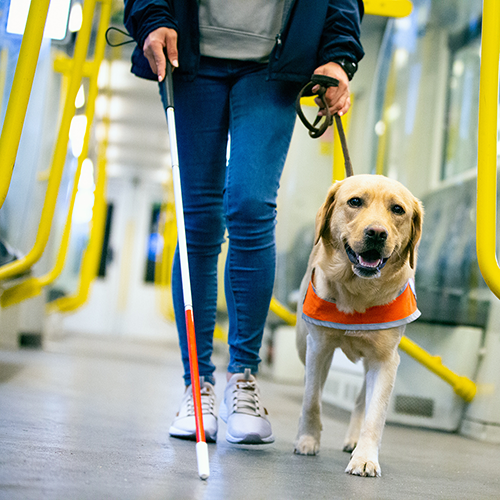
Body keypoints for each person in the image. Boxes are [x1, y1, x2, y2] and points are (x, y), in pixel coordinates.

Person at [123, 0, 364, 445]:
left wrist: (337, 52)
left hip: (275, 62)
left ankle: (243, 377)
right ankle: (196, 386)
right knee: (198, 219)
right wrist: (152, 18)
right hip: (188, 55)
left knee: (252, 206)